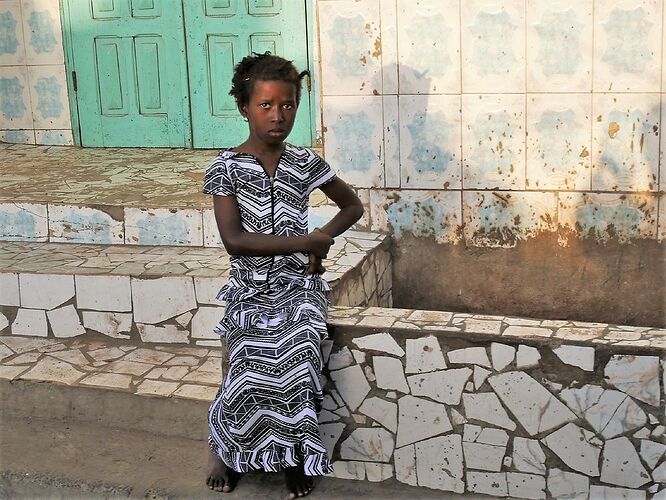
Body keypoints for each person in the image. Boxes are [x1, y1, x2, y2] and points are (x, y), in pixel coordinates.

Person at [202, 52, 364, 499]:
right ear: (245, 108)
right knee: (246, 367)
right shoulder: (226, 168)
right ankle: (228, 451)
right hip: (249, 288)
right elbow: (235, 240)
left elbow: (352, 206)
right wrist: (305, 242)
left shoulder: (304, 162)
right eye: (266, 105)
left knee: (299, 360)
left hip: (298, 286)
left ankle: (293, 455)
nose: (278, 116)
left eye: (288, 105)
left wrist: (323, 237)